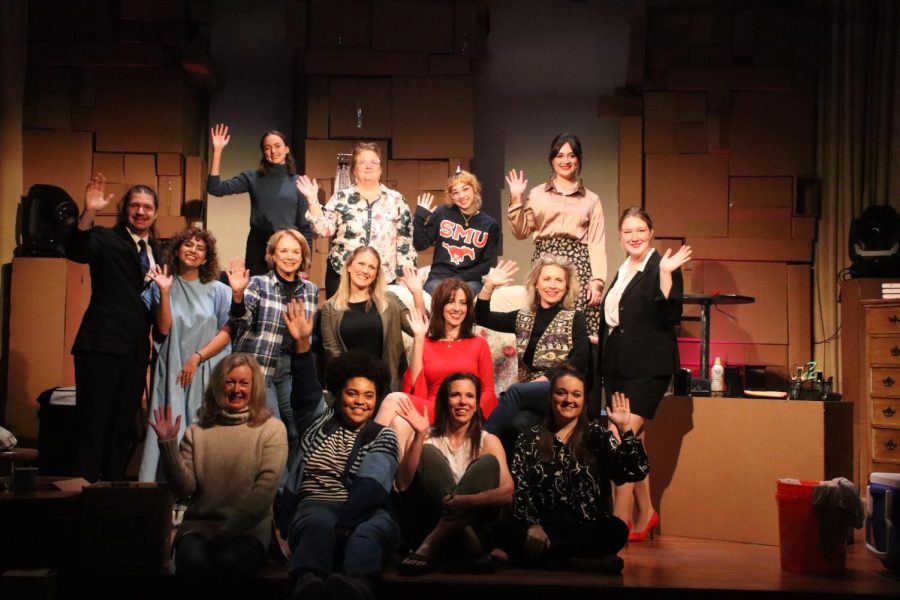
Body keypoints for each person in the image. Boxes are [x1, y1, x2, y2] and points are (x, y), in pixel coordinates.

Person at [276, 316, 401, 600]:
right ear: (338, 394)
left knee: (368, 532)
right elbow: (306, 392)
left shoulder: (383, 436)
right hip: (315, 507)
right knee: (318, 521)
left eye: (368, 395)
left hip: (366, 511)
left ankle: (357, 586)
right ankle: (307, 582)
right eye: (352, 393)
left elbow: (371, 488)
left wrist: (343, 523)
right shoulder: (318, 421)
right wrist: (302, 345)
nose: (360, 401)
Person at [148, 353, 288, 595]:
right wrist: (168, 445)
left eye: (244, 383)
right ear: (217, 385)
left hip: (248, 531)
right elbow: (185, 489)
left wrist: (228, 532)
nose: (236, 389)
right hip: (198, 529)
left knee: (228, 563)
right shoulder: (197, 431)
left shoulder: (272, 430)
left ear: (254, 388)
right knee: (193, 564)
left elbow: (264, 492)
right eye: (229, 382)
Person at [496, 364, 648, 571]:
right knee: (505, 529)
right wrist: (533, 525)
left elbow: (634, 471)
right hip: (543, 527)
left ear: (584, 400)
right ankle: (580, 561)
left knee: (617, 530)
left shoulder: (598, 436)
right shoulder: (529, 437)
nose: (569, 400)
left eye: (576, 394)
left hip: (585, 527)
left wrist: (625, 429)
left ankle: (551, 559)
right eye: (562, 393)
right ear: (550, 398)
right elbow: (521, 487)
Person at [600, 207, 691, 542]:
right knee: (631, 441)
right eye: (628, 232)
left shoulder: (662, 266)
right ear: (620, 236)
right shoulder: (624, 270)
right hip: (618, 369)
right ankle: (647, 512)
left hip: (648, 369)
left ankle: (618, 520)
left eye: (640, 230)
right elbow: (619, 318)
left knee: (616, 441)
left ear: (651, 232)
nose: (634, 237)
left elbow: (670, 315)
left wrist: (666, 275)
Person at [65, 175, 159, 482]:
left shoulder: (156, 250)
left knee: (122, 428)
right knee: (94, 424)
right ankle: (86, 495)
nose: (141, 212)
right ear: (125, 210)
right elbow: (76, 250)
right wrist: (89, 211)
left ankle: (113, 493)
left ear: (155, 212)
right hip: (100, 347)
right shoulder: (106, 238)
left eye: (147, 207)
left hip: (134, 352)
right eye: (135, 206)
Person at [394, 373, 513, 575]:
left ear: (476, 403)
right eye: (455, 395)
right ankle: (465, 538)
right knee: (428, 451)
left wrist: (468, 501)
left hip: (476, 526)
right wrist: (420, 435)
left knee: (488, 462)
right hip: (430, 523)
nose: (462, 402)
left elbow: (507, 492)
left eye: (469, 396)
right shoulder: (426, 437)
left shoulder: (488, 440)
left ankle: (431, 544)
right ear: (444, 400)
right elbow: (403, 484)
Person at [139, 228, 232, 482]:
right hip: (172, 369)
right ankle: (166, 494)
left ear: (206, 258)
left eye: (200, 248)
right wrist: (166, 292)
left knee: (202, 430)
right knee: (170, 425)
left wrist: (197, 357)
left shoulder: (219, 291)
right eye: (188, 245)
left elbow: (227, 333)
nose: (193, 250)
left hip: (205, 368)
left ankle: (200, 495)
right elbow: (163, 329)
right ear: (177, 250)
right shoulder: (162, 285)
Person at [476, 255, 590, 455]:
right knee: (517, 424)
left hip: (561, 387)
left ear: (566, 287)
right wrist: (489, 286)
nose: (552, 285)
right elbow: (481, 317)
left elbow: (580, 359)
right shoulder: (522, 316)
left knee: (515, 392)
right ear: (536, 284)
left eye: (558, 280)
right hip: (532, 395)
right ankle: (509, 480)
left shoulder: (575, 318)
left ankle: (479, 445)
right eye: (547, 279)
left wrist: (548, 377)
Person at [506, 132, 607, 334]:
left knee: (575, 324)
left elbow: (596, 241)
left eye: (571, 155)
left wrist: (597, 281)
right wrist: (516, 199)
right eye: (560, 155)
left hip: (578, 263)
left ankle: (575, 366)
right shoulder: (536, 194)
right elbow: (521, 232)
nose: (566, 160)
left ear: (578, 160)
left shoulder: (592, 199)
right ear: (552, 160)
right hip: (544, 261)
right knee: (542, 320)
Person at [226, 229, 318, 448]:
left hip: (290, 368)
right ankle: (274, 483)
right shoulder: (258, 284)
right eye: (284, 250)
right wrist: (237, 296)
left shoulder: (310, 290)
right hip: (258, 368)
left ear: (303, 257)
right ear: (273, 255)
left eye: (296, 251)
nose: (290, 256)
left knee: (300, 429)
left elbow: (306, 335)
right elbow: (240, 322)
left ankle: (292, 481)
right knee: (272, 429)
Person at [297, 142, 416, 297]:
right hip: (343, 275)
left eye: (374, 162)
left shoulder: (396, 200)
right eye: (362, 162)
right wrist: (312, 200)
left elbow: (404, 243)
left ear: (380, 169)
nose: (369, 166)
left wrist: (406, 281)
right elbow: (323, 230)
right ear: (354, 169)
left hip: (383, 279)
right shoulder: (341, 197)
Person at [207, 124, 313, 275]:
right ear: (263, 152)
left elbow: (305, 227)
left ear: (286, 149)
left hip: (289, 245)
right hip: (259, 244)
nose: (273, 151)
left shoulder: (299, 182)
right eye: (267, 148)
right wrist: (217, 151)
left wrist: (306, 265)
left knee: (287, 295)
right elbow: (215, 189)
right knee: (256, 292)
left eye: (277, 146)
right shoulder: (253, 178)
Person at [320, 246, 427, 391]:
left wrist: (417, 294)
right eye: (361, 264)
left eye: (372, 267)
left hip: (387, 387)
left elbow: (420, 328)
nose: (365, 271)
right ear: (349, 267)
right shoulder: (330, 308)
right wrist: (353, 387)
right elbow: (332, 353)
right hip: (349, 387)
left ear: (376, 274)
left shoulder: (391, 301)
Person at [404, 278, 497, 423]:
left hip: (466, 411)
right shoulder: (425, 343)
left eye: (463, 303)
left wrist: (473, 415)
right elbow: (415, 387)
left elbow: (487, 392)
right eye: (451, 301)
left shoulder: (479, 344)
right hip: (433, 410)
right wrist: (418, 339)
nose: (457, 308)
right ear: (440, 305)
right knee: (395, 402)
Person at [413, 170, 501, 294]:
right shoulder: (442, 212)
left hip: (470, 281)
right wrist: (419, 219)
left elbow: (486, 264)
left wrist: (458, 280)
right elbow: (420, 244)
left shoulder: (490, 224)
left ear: (474, 189)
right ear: (451, 197)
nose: (461, 196)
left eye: (465, 189)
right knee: (437, 292)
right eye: (455, 192)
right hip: (439, 278)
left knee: (465, 296)